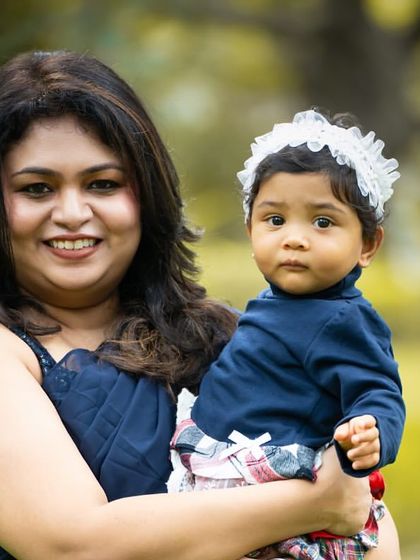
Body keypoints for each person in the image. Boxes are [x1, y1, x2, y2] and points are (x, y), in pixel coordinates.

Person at [0, 50, 398, 560]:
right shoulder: (11, 354)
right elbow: (69, 545)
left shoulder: (231, 336)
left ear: (147, 195)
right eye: (37, 188)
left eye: (103, 184)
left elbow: (369, 519)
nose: (74, 213)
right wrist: (316, 504)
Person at [170, 109, 405, 559]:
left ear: (367, 245)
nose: (294, 239)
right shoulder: (274, 301)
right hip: (223, 472)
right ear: (250, 228)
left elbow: (380, 391)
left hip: (274, 481)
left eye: (322, 222)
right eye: (275, 220)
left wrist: (371, 432)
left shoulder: (342, 318)